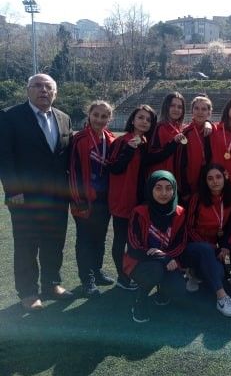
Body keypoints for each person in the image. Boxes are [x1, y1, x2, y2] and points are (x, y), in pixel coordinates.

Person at [0, 73, 74, 311]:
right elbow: (5, 158)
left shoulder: (64, 118)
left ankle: (52, 284)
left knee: (54, 241)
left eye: (48, 87)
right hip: (24, 196)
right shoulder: (10, 117)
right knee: (26, 245)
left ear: (55, 92)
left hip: (57, 197)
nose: (43, 90)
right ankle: (28, 292)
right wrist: (14, 192)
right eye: (38, 86)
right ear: (28, 90)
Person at [124, 171, 189, 323]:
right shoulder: (139, 212)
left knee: (178, 291)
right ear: (150, 189)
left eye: (168, 188)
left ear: (174, 189)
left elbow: (181, 243)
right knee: (155, 270)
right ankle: (140, 300)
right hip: (141, 262)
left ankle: (162, 291)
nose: (164, 193)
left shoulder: (180, 212)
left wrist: (166, 258)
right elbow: (133, 247)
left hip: (168, 261)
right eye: (158, 188)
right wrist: (163, 257)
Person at [108, 104, 157, 290]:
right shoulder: (122, 141)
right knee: (120, 239)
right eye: (140, 117)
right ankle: (122, 277)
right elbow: (114, 168)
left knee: (135, 241)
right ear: (133, 120)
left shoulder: (145, 143)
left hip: (139, 202)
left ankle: (131, 273)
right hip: (122, 200)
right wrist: (128, 150)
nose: (144, 122)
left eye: (148, 119)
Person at [69, 100, 116, 297]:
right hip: (84, 199)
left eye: (104, 116)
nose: (99, 119)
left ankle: (97, 271)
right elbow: (73, 171)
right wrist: (77, 198)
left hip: (104, 199)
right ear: (89, 115)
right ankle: (86, 279)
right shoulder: (79, 139)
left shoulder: (110, 138)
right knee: (85, 239)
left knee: (100, 236)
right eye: (96, 115)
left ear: (109, 118)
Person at [185, 164, 231, 316]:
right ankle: (222, 298)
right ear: (205, 181)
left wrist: (226, 246)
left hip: (213, 246)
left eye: (218, 177)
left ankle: (195, 273)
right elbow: (188, 228)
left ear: (225, 178)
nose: (215, 181)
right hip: (194, 244)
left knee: (219, 274)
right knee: (206, 251)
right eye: (210, 178)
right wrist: (209, 247)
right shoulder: (197, 198)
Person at [177, 95, 213, 203]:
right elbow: (180, 163)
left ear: (209, 113)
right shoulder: (185, 132)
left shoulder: (213, 131)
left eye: (204, 109)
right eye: (196, 108)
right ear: (192, 111)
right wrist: (184, 189)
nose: (200, 112)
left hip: (210, 183)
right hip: (190, 184)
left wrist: (208, 123)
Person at [147, 92, 187, 178]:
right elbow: (151, 157)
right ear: (166, 107)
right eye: (172, 105)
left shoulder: (181, 129)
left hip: (176, 178)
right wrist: (173, 143)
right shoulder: (159, 127)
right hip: (162, 178)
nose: (176, 109)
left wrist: (207, 122)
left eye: (180, 107)